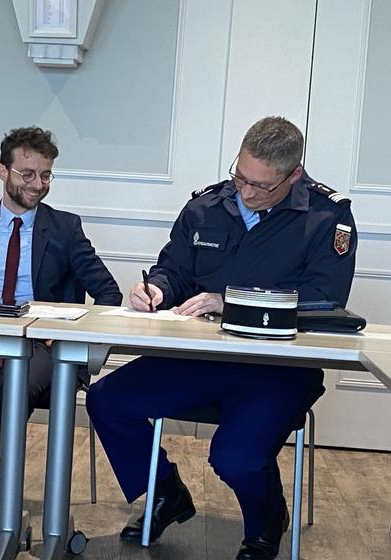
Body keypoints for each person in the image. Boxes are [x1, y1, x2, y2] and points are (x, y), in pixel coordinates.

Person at [87, 116, 357, 560]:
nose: (246, 193)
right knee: (107, 400)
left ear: (293, 175)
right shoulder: (208, 207)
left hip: (276, 369)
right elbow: (174, 267)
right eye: (240, 177)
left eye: (261, 187)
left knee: (234, 457)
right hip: (200, 357)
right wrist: (157, 287)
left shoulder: (328, 218)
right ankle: (166, 493)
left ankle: (267, 521)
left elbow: (324, 301)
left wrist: (231, 304)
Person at [0, 126, 122, 525]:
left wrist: (67, 335)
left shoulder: (65, 228)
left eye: (46, 175)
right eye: (27, 174)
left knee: (17, 391)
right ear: (3, 171)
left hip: (42, 343)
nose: (38, 184)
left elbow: (109, 295)